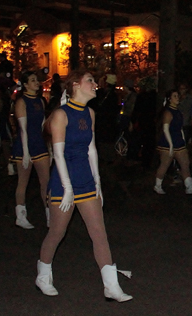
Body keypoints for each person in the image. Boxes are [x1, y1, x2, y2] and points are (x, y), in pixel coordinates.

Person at [35, 70, 132, 301]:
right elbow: (57, 154)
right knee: (57, 232)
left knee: (99, 233)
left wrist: (97, 182)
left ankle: (111, 287)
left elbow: (91, 149)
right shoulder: (60, 114)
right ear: (76, 85)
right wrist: (67, 188)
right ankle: (43, 275)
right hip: (63, 180)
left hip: (86, 180)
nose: (95, 85)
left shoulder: (90, 113)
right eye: (90, 80)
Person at [11, 71, 51, 229]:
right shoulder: (21, 102)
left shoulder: (41, 101)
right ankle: (20, 216)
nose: (37, 82)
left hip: (39, 144)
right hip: (24, 145)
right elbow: (23, 129)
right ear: (25, 84)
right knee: (23, 182)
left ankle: (49, 214)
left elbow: (43, 125)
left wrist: (48, 146)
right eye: (33, 80)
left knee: (46, 182)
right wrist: (26, 153)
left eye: (37, 80)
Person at [153, 89, 192, 196]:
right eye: (175, 96)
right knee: (165, 164)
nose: (177, 98)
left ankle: (189, 187)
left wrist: (183, 139)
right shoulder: (168, 112)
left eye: (177, 96)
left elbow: (180, 128)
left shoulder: (178, 112)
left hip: (179, 141)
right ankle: (157, 185)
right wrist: (170, 145)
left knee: (185, 164)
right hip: (168, 142)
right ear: (170, 99)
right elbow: (165, 129)